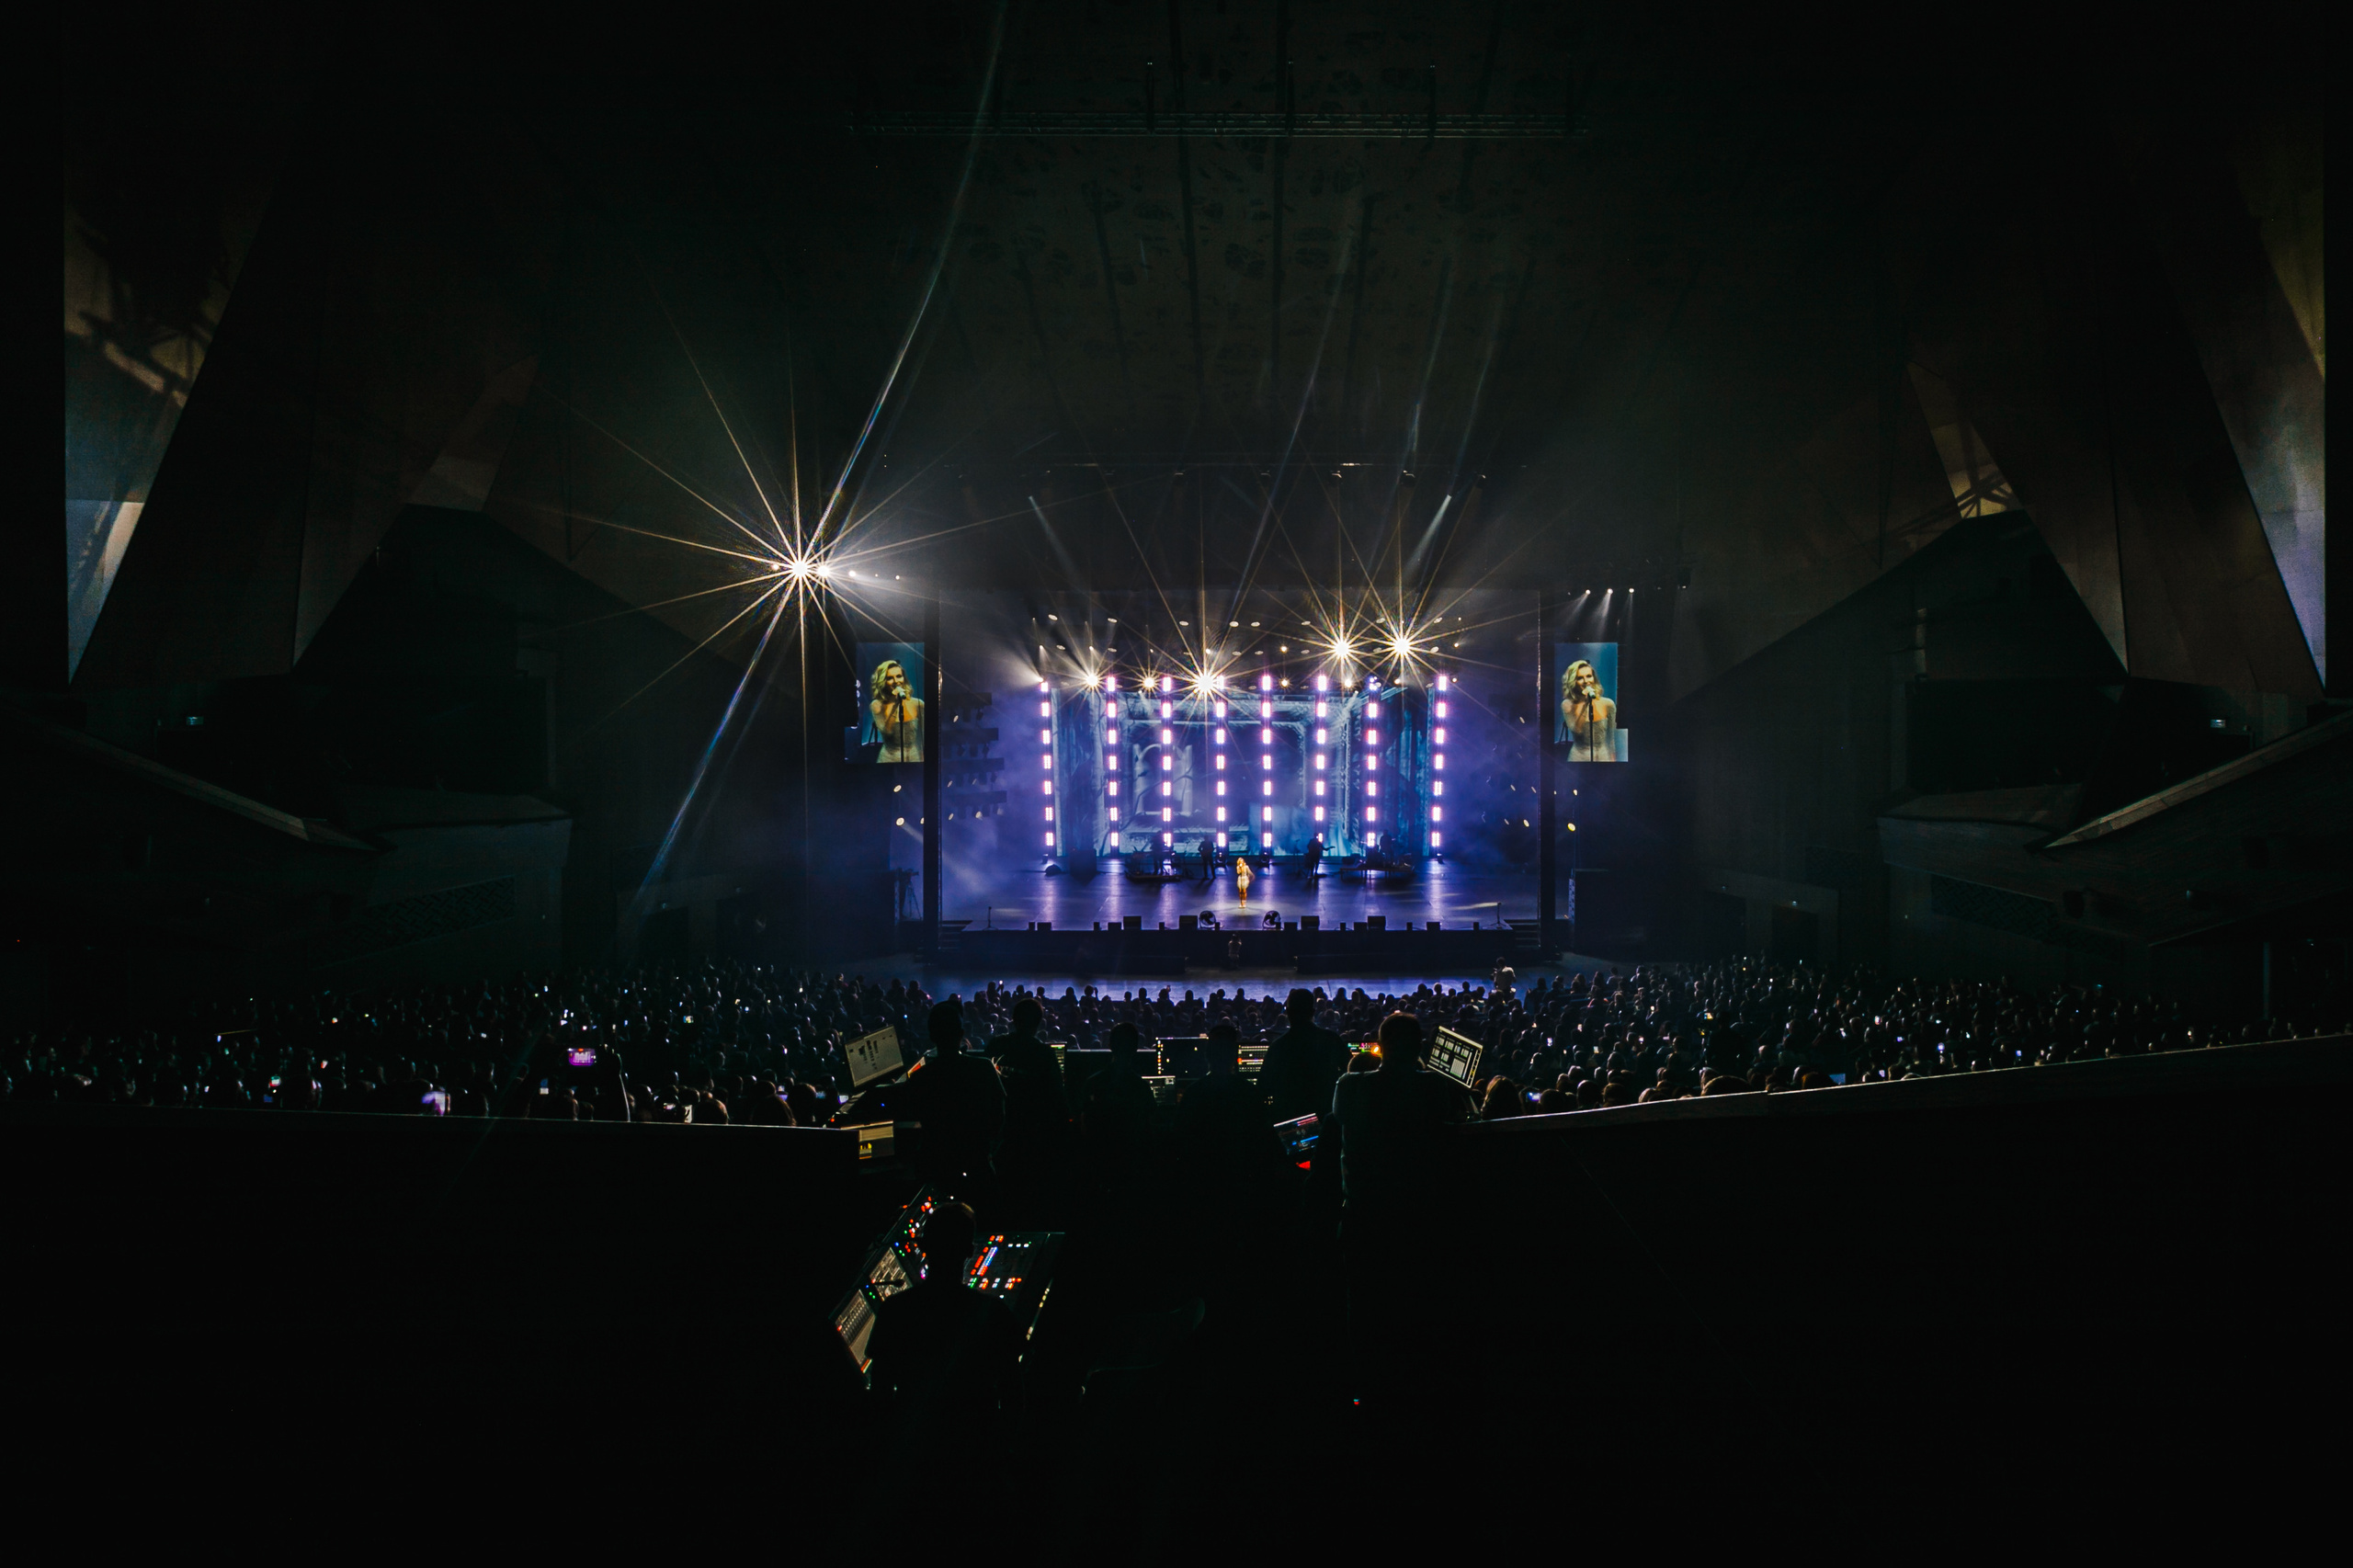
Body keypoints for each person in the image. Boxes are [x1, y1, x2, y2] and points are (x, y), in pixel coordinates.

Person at [864, 1201, 1023, 1422]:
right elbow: (1012, 1391)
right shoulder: (994, 1313)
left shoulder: (894, 1310)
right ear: (970, 1250)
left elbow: (880, 1395)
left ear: (923, 1247)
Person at [896, 1000, 1006, 1194]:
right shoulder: (985, 1068)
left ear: (931, 1036)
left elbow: (912, 1118)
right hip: (978, 1166)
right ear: (962, 1034)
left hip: (936, 1170)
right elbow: (999, 1118)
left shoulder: (919, 1079)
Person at [1261, 987, 1350, 1125]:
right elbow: (1351, 1073)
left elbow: (1264, 1088)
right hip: (1326, 1117)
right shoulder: (1332, 1040)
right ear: (1313, 1012)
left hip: (1288, 1119)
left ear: (1288, 1013)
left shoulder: (1277, 1047)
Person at [1560, 657, 1618, 762]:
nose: (1586, 681)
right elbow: (1577, 730)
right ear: (1574, 681)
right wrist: (1586, 704)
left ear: (1594, 678)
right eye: (1580, 678)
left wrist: (1613, 760)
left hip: (1603, 757)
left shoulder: (1608, 704)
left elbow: (1611, 737)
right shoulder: (1567, 704)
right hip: (1579, 759)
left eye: (1589, 676)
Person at [869, 658, 924, 762]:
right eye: (890, 678)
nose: (896, 681)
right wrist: (895, 704)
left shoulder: (918, 704)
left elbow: (925, 735)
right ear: (883, 682)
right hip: (888, 759)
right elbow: (887, 732)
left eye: (899, 676)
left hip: (913, 758)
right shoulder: (877, 705)